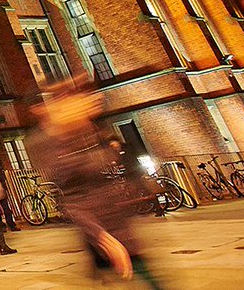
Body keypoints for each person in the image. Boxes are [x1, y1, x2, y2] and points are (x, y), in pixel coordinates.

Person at [30, 86, 163, 288]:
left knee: (123, 272)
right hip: (101, 228)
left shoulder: (88, 132)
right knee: (140, 275)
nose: (88, 103)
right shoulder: (50, 144)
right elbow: (71, 198)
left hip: (115, 223)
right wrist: (101, 235)